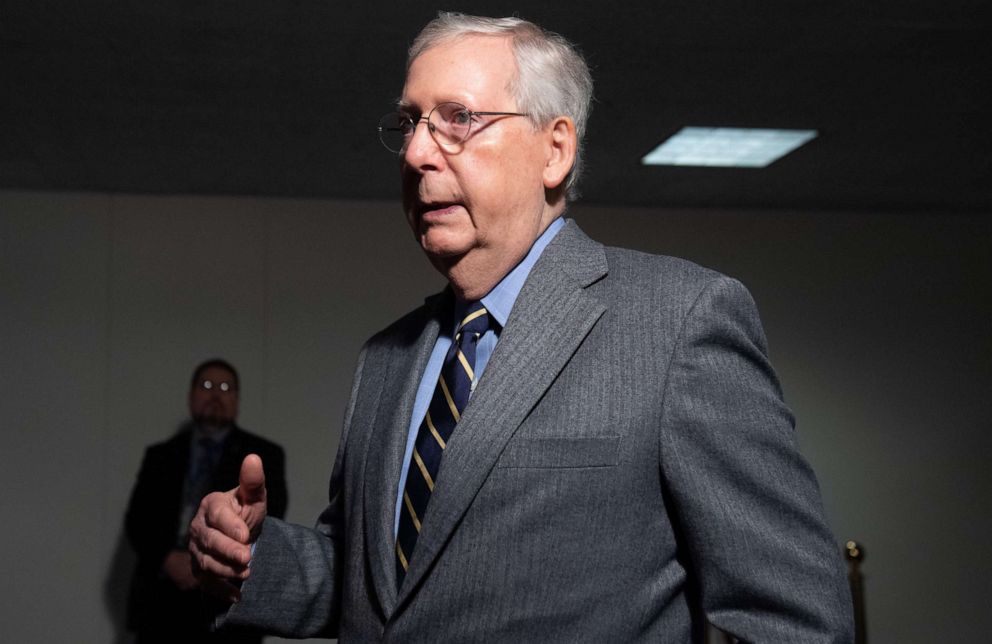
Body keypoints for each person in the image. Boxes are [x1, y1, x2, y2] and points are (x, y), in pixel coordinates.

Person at [190, 13, 853, 642]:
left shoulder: (677, 322)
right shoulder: (386, 359)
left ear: (554, 150)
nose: (418, 151)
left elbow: (792, 617)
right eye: (410, 122)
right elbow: (380, 584)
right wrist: (251, 556)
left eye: (459, 119)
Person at [125, 358, 287, 643]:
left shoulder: (263, 455)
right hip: (160, 602)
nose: (215, 394)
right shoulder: (160, 455)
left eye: (225, 387)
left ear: (237, 400)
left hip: (225, 606)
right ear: (190, 397)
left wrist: (206, 559)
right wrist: (166, 558)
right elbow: (137, 520)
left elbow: (270, 520)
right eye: (206, 385)